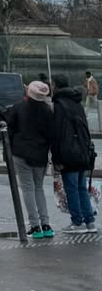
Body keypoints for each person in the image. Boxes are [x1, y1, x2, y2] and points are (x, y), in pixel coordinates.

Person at [6, 80, 56, 240]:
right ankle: (46, 224)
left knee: (27, 188)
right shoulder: (48, 110)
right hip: (40, 154)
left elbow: (10, 130)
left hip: (21, 153)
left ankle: (35, 226)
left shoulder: (19, 108)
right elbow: (51, 135)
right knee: (39, 188)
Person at [52, 76, 97, 233]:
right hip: (81, 151)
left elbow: (57, 134)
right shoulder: (77, 103)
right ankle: (89, 221)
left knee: (71, 189)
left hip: (68, 152)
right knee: (81, 188)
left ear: (56, 85)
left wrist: (56, 158)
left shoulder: (59, 105)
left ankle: (77, 222)